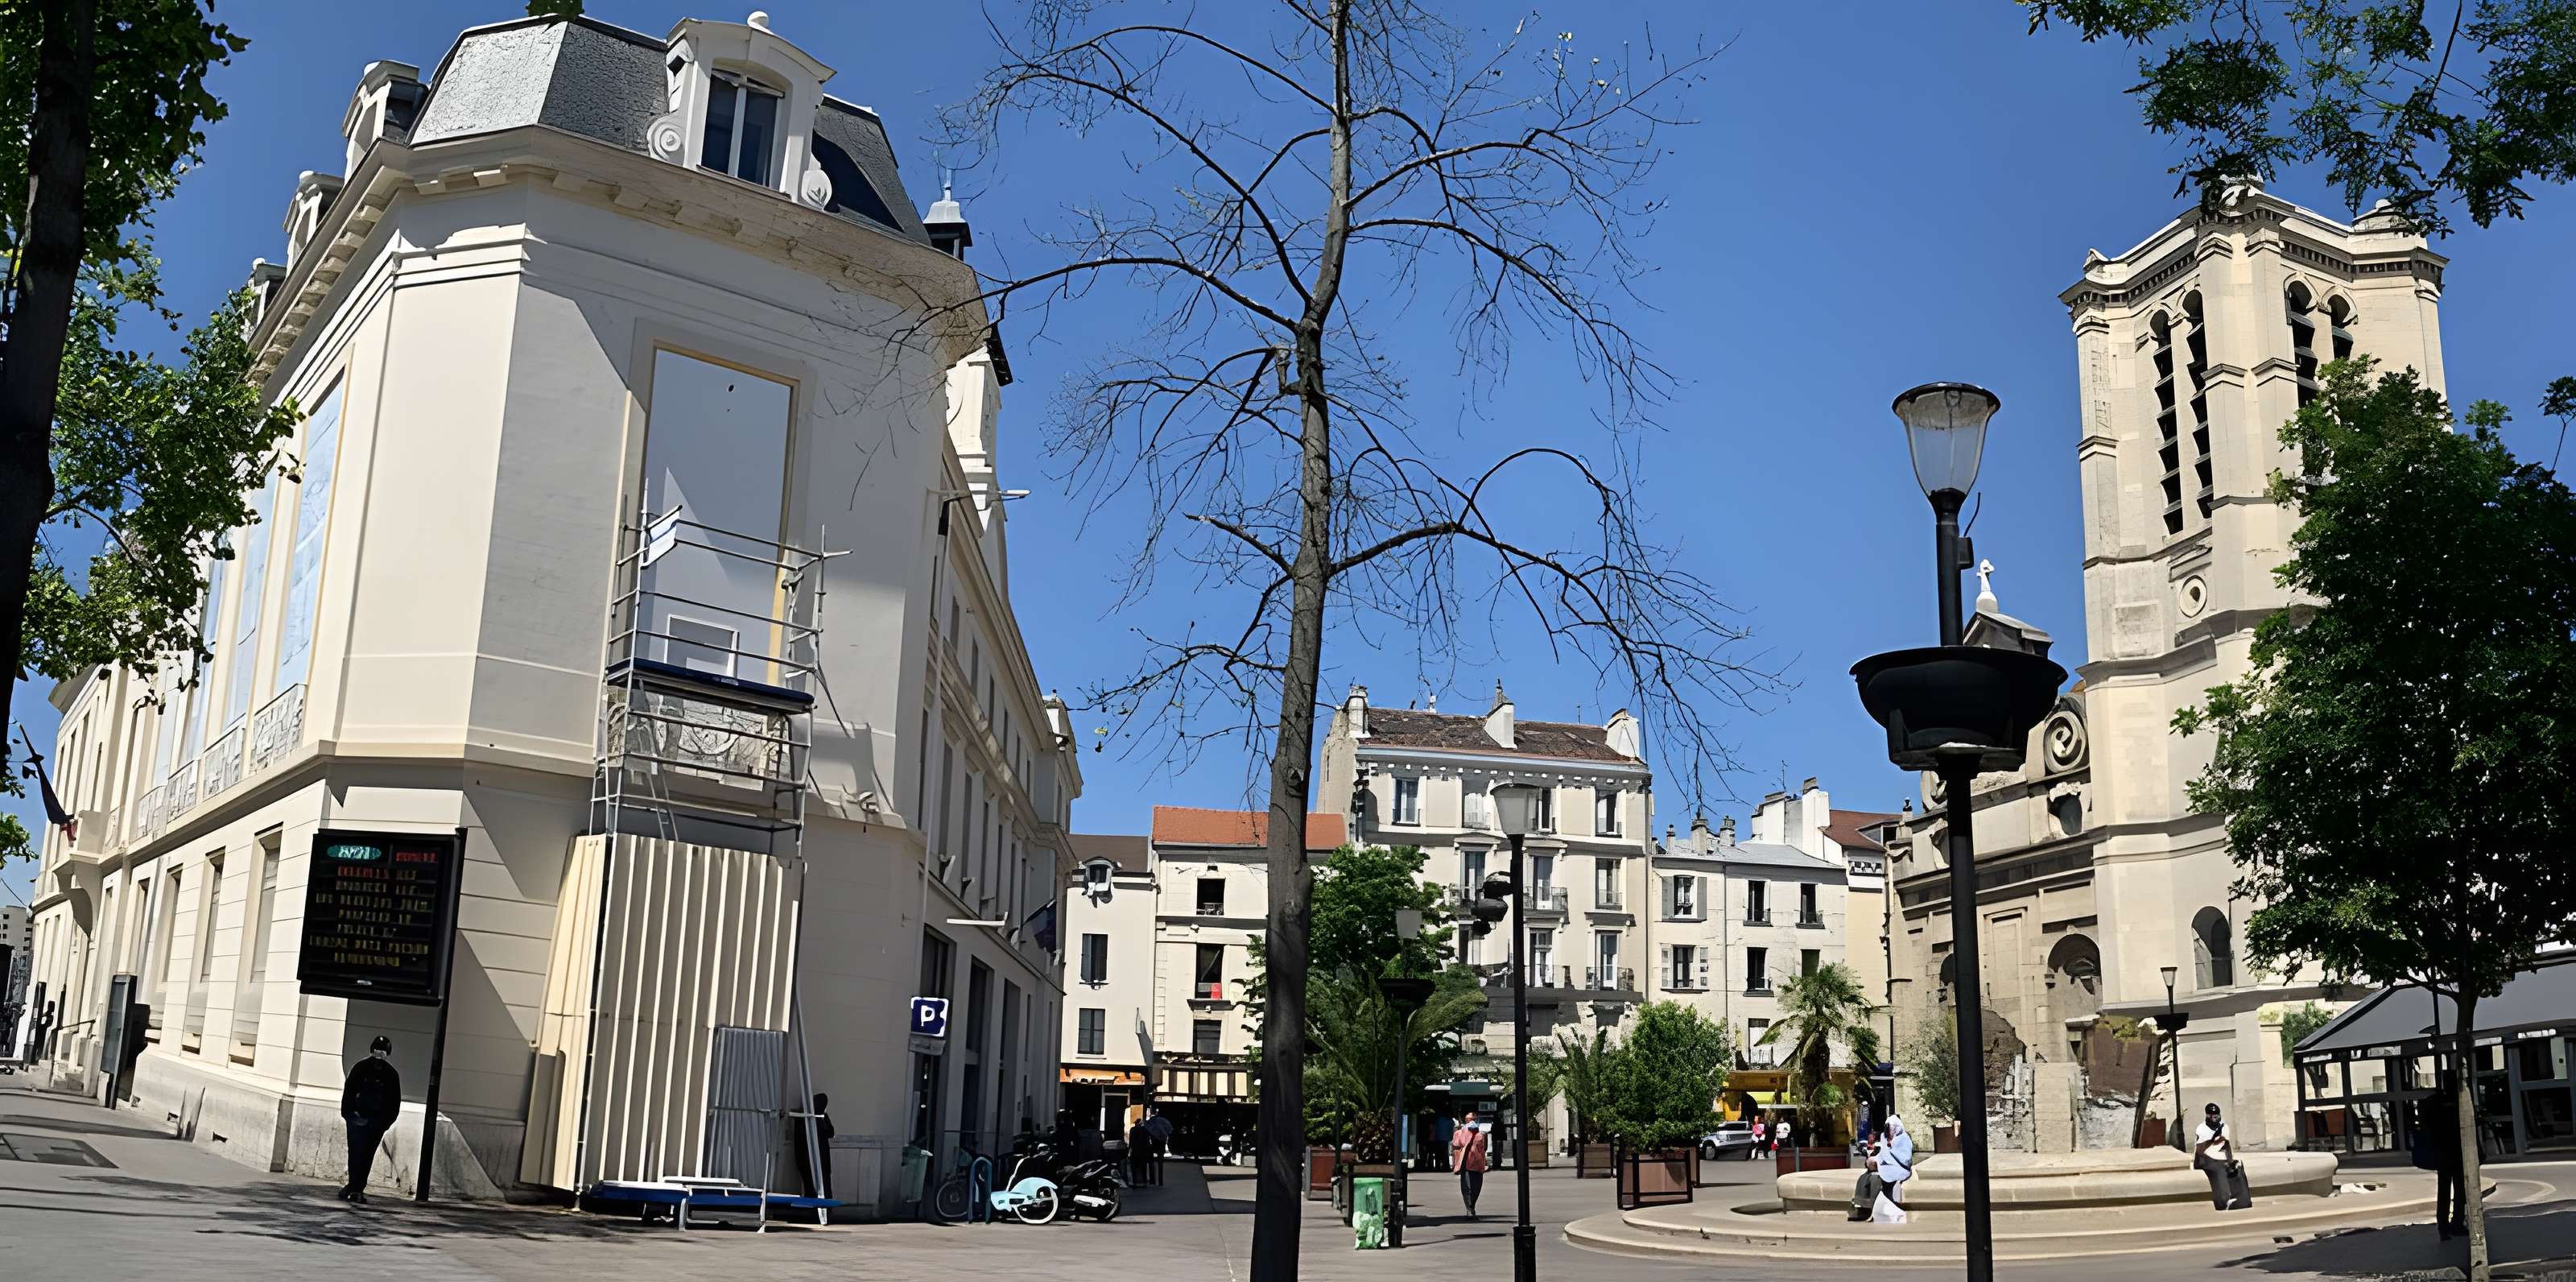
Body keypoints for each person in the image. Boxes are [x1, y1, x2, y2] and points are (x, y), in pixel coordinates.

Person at [339, 1036, 402, 1204]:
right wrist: (385, 1123)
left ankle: (354, 1187)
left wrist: (350, 1116)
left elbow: (349, 1094)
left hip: (361, 1120)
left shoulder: (360, 1067)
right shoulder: (391, 1073)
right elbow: (394, 1102)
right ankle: (356, 1188)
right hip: (373, 1122)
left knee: (356, 1155)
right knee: (366, 1156)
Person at [2417, 1081, 2467, 1239]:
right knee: (2459, 1190)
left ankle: (2444, 1226)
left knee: (2445, 1190)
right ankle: (2456, 1224)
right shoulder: (2457, 1103)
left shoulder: (2433, 1104)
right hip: (2456, 1153)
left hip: (2443, 1154)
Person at [2193, 1102, 2254, 1210]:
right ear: (2207, 1116)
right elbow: (2200, 1150)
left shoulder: (2224, 1127)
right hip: (2206, 1158)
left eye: (2216, 1116)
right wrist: (2213, 1140)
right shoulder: (2201, 1128)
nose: (2214, 1119)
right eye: (2211, 1116)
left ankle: (2243, 1200)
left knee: (2237, 1167)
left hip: (2220, 1157)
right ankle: (2223, 1201)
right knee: (2219, 1169)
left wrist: (2231, 1161)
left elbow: (2226, 1145)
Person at [1871, 1115, 1915, 1223]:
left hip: (1900, 1168)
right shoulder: (1884, 1137)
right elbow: (1883, 1153)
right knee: (1876, 1178)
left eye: (1892, 1127)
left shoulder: (1904, 1138)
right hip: (1887, 1167)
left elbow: (1905, 1158)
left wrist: (1889, 1154)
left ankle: (1889, 1206)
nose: (1891, 1130)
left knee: (1888, 1181)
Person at [1451, 1115, 1489, 1218]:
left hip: (1478, 1164)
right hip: (1465, 1164)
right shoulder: (1459, 1133)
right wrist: (1455, 1162)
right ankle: (1469, 1208)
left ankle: (1472, 1205)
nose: (1470, 1122)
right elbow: (1455, 1147)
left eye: (1472, 1119)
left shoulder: (1482, 1135)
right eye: (1468, 1119)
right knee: (1467, 1187)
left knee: (1477, 1187)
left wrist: (1485, 1163)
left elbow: (1484, 1149)